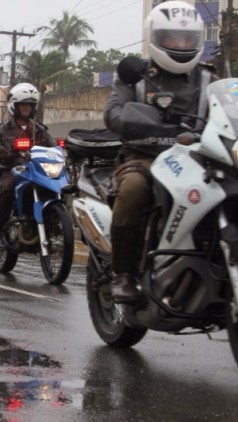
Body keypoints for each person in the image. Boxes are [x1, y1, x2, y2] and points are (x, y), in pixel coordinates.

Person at [103, 0, 214, 303]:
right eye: (171, 38)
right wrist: (138, 121)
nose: (179, 44)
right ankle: (123, 273)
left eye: (186, 39)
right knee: (134, 189)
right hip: (144, 157)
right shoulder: (134, 77)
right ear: (155, 38)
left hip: (198, 159)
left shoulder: (208, 78)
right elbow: (113, 114)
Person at [0, 82, 56, 249]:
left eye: (30, 105)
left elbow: (53, 147)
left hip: (36, 170)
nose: (26, 108)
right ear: (14, 106)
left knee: (54, 186)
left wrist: (61, 152)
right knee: (7, 188)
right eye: (23, 104)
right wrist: (5, 153)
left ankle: (52, 227)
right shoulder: (2, 130)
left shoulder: (40, 130)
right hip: (11, 169)